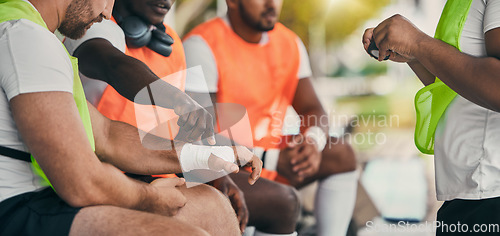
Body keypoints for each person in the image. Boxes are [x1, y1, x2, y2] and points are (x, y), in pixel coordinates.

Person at [0, 0, 261, 234]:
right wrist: (151, 198)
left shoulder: (38, 36)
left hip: (48, 197)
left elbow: (107, 135)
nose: (107, 12)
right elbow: (82, 183)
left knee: (212, 206)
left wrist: (207, 156)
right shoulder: (24, 36)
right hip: (19, 208)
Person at [183, 0, 358, 235]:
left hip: (271, 157)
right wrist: (272, 158)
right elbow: (203, 137)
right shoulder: (201, 44)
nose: (271, 3)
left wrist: (312, 143)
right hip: (224, 169)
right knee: (283, 201)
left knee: (341, 153)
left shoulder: (290, 42)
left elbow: (313, 109)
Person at [362, 0, 500, 235]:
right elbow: (460, 91)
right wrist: (414, 57)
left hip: (490, 195)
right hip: (466, 195)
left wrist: (419, 43)